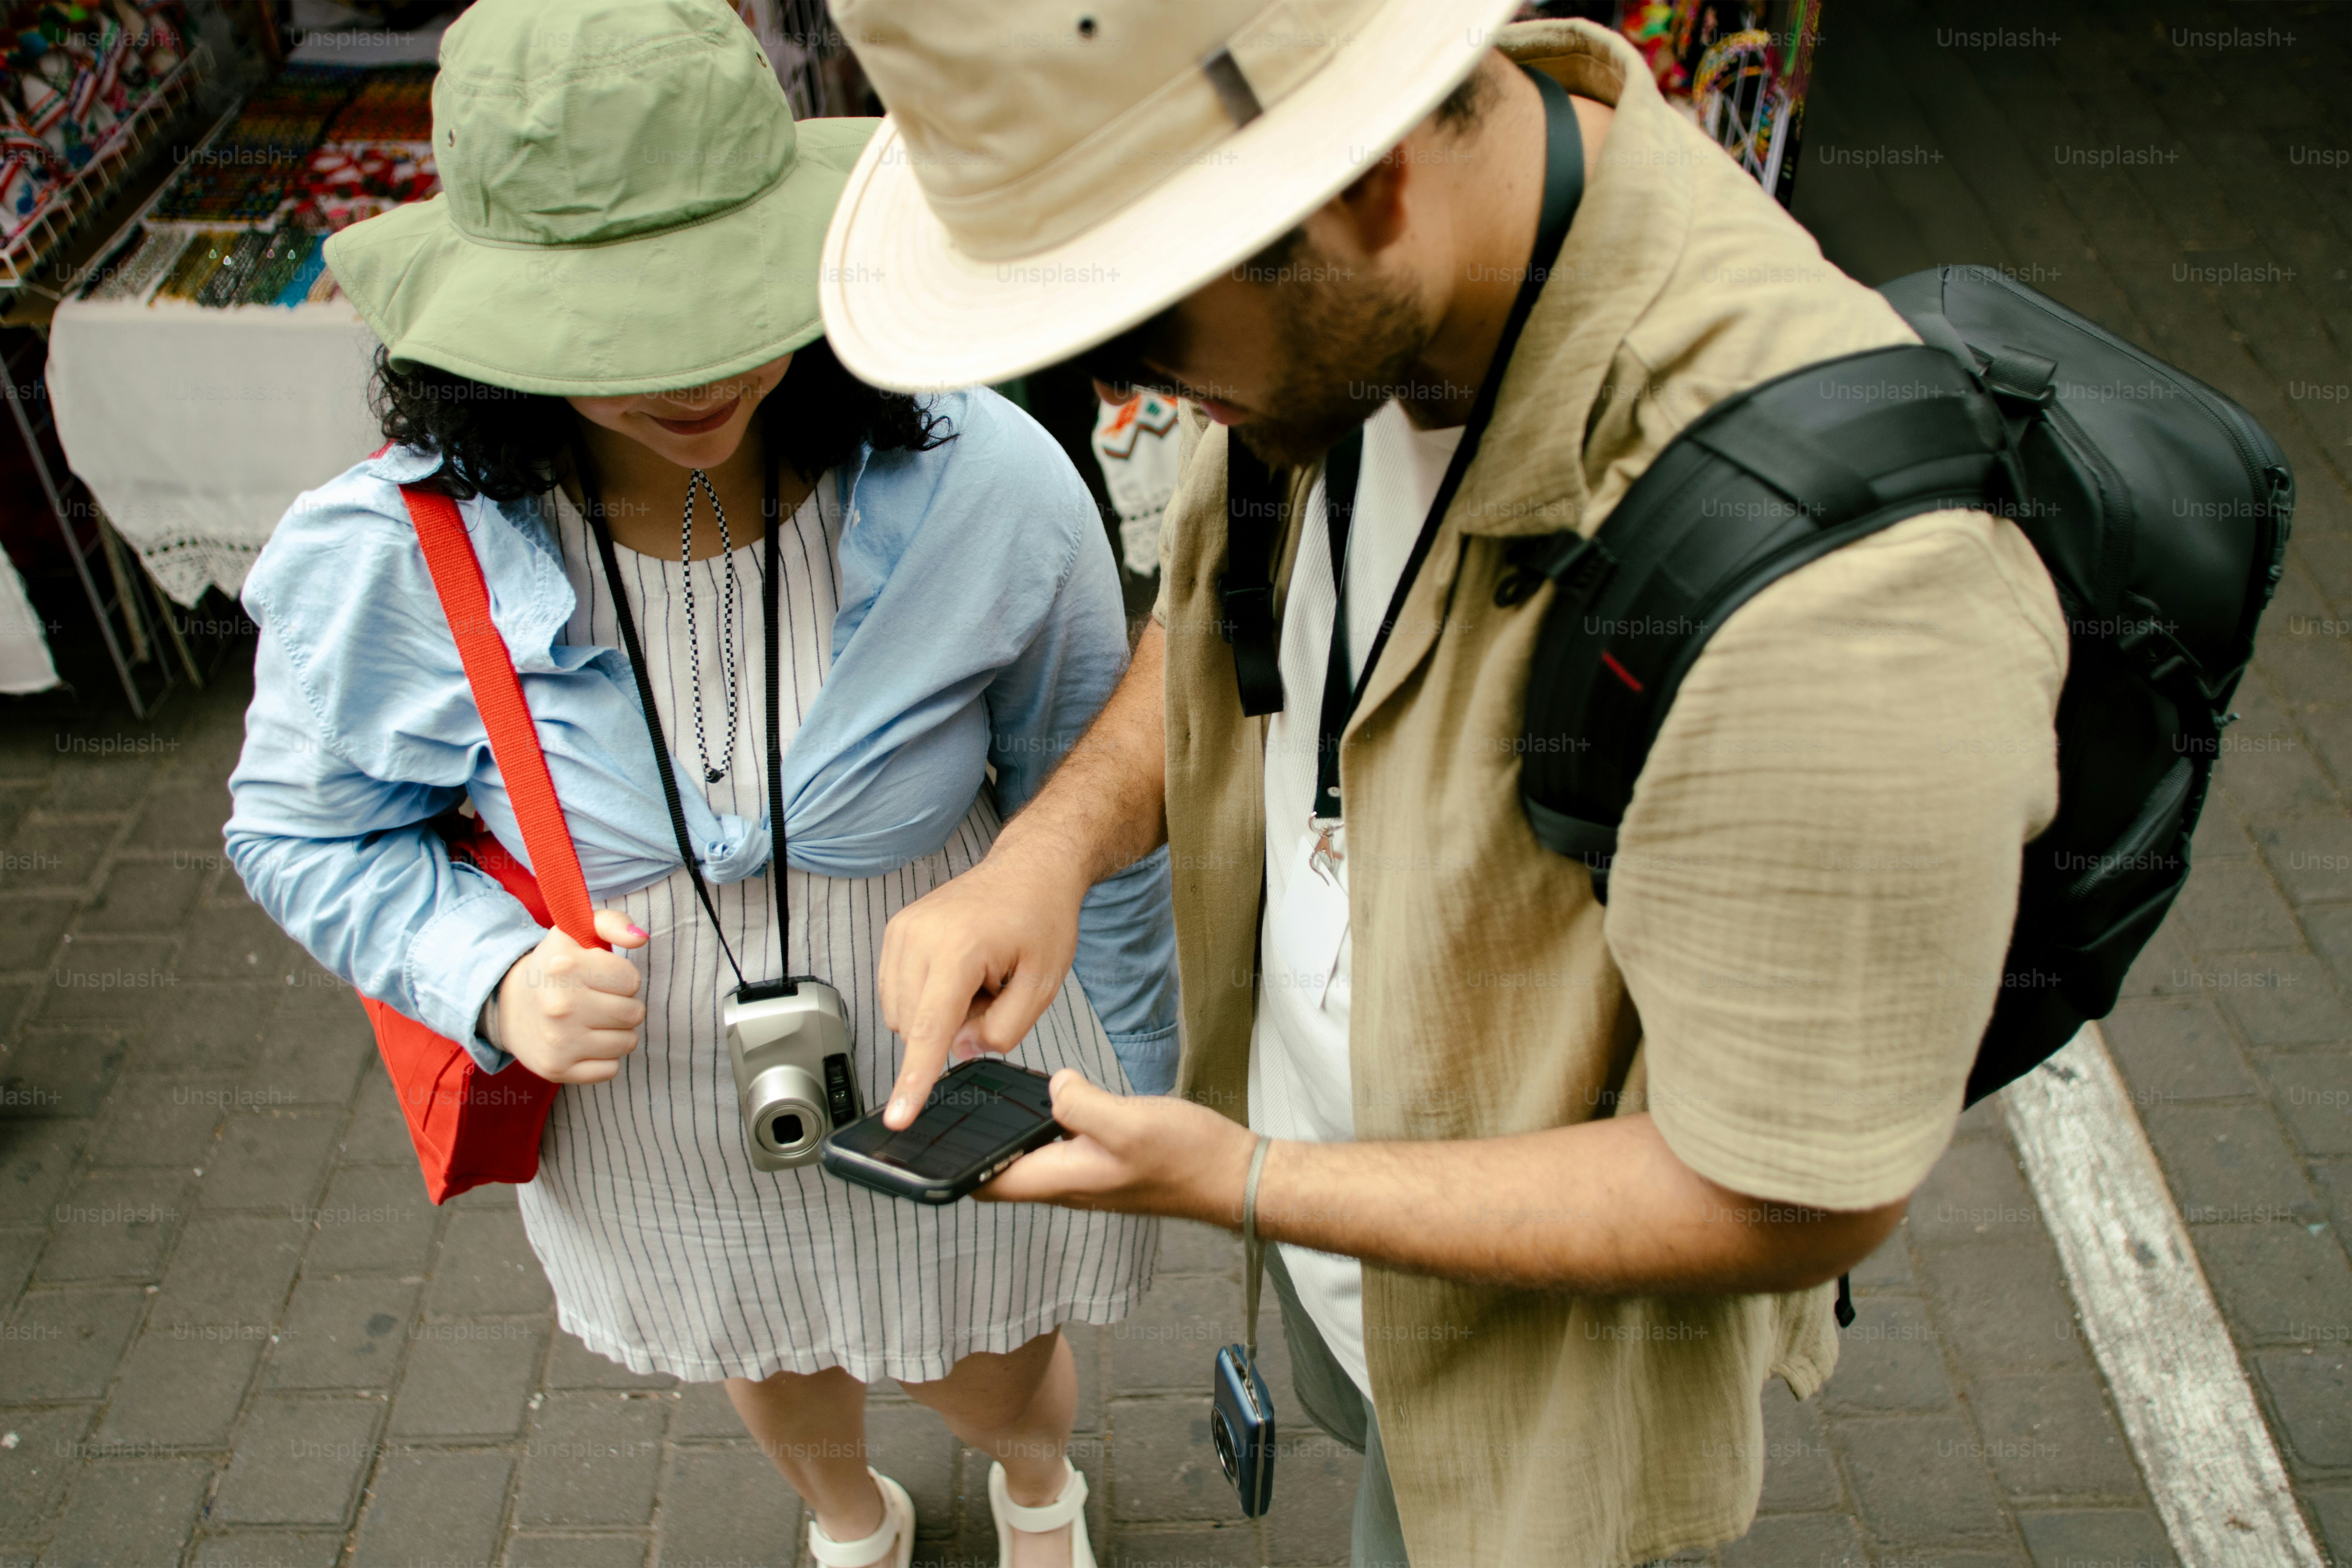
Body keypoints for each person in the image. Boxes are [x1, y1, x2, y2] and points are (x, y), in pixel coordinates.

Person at [824, 3, 2066, 1565]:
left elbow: (1792, 1193)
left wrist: (1254, 1181)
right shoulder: (1348, 320)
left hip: (1534, 1374)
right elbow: (1226, 620)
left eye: (1143, 336)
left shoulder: (1848, 603)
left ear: (1366, 176)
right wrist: (1053, 848)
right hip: (1350, 1261)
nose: (1127, 393)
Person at [224, 3, 1175, 1565]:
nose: (700, 371)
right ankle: (851, 1514)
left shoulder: (989, 483)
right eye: (619, 329)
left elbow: (1098, 786)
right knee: (777, 1361)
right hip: (651, 1104)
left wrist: (1139, 1056)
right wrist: (484, 970)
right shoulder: (395, 553)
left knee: (987, 1366)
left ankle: (1035, 1479)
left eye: (729, 298)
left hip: (949, 1061)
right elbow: (300, 824)